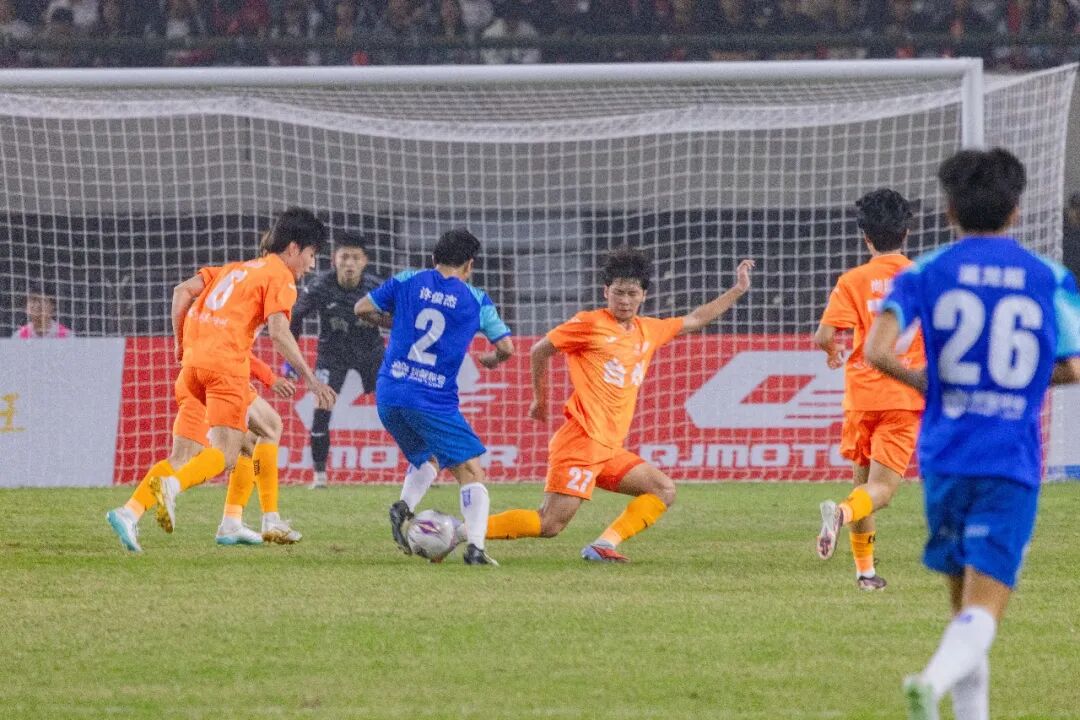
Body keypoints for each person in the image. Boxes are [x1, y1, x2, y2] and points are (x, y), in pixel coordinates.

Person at [863, 148, 1080, 720]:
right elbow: (1073, 367)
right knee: (985, 609)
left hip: (945, 457)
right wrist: (1016, 384)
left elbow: (875, 351)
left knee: (961, 605)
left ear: (950, 210)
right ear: (1016, 210)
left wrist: (928, 383)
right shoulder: (1048, 276)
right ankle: (930, 681)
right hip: (1008, 460)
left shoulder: (924, 271)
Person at [483, 248, 754, 562]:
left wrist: (738, 289)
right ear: (606, 292)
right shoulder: (589, 323)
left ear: (643, 295)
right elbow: (539, 351)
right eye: (618, 292)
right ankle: (459, 530)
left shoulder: (649, 330)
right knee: (549, 523)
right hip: (582, 440)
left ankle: (604, 545)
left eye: (632, 293)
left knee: (663, 490)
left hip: (608, 449)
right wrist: (540, 400)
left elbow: (696, 319)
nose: (624, 300)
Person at [105, 208, 336, 552]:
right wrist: (311, 379)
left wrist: (180, 344)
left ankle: (137, 513)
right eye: (312, 255)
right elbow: (279, 332)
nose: (312, 265)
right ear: (293, 248)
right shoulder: (280, 277)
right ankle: (172, 488)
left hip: (192, 368)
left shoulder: (232, 270)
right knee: (226, 454)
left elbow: (181, 292)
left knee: (252, 434)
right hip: (225, 370)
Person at [353, 228, 514, 566]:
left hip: (390, 393)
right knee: (471, 472)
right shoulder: (476, 299)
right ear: (469, 265)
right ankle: (476, 549)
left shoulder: (408, 280)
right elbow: (506, 347)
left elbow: (362, 308)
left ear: (433, 258)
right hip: (431, 400)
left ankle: (403, 507)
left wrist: (396, 322)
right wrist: (493, 359)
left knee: (429, 458)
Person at [813, 188, 925, 591]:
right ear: (906, 232)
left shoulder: (853, 280)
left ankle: (866, 574)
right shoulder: (922, 278)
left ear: (866, 237)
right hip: (902, 395)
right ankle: (840, 514)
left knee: (863, 486)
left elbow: (824, 335)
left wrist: (833, 352)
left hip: (860, 396)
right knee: (881, 491)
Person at [105, 352, 298, 551]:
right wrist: (271, 378)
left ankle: (233, 521)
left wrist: (184, 351)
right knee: (185, 457)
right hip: (215, 379)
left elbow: (185, 338)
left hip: (204, 373)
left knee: (249, 442)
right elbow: (238, 348)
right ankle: (131, 511)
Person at [287, 231, 385, 489]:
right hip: (332, 355)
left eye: (355, 258)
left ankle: (423, 465)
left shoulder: (376, 287)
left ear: (365, 261)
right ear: (334, 260)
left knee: (400, 404)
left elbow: (400, 316)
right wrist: (291, 361)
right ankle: (319, 477)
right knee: (321, 408)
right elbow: (295, 316)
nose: (349, 263)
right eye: (344, 257)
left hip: (371, 353)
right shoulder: (320, 286)